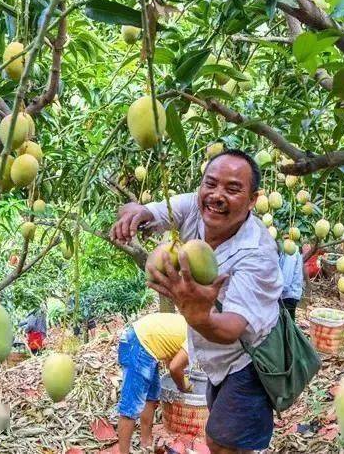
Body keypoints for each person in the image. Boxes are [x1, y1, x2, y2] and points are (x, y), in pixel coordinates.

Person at [110, 150, 283, 454]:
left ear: (253, 199)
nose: (216, 196)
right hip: (214, 357)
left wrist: (196, 314)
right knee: (229, 438)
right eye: (210, 184)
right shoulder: (195, 205)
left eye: (232, 189)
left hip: (249, 360)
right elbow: (149, 211)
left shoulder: (257, 252)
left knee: (220, 440)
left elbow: (231, 329)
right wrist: (133, 213)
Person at [116, 312, 190, 454]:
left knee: (151, 396)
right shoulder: (198, 339)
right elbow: (175, 368)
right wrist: (184, 387)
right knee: (130, 406)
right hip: (138, 344)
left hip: (148, 344)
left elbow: (170, 361)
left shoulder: (194, 327)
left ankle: (146, 443)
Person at [279, 244, 304, 321]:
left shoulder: (290, 251)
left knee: (287, 328)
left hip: (288, 296)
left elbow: (286, 282)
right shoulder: (286, 249)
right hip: (287, 296)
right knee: (287, 327)